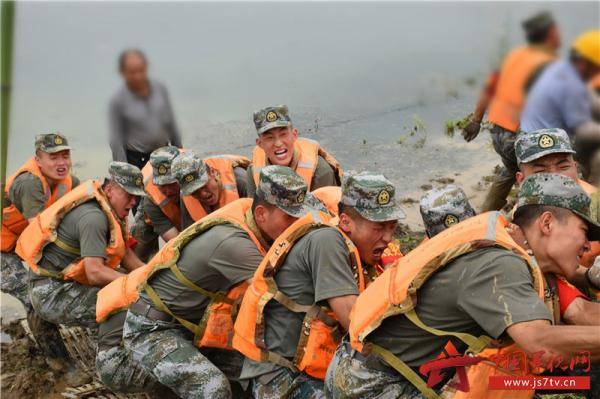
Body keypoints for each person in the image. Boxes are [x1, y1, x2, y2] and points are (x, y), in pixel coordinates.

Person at [327, 173, 600, 399]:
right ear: (547, 223)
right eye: (584, 232)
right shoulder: (500, 263)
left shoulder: (510, 242)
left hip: (402, 371)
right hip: (374, 385)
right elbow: (541, 344)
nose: (588, 245)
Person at [119, 166, 315, 398]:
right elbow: (284, 302)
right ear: (261, 214)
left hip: (193, 328)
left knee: (258, 370)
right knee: (213, 388)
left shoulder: (252, 221)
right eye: (289, 217)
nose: (297, 225)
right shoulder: (236, 245)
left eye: (299, 216)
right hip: (153, 330)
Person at [234, 172, 406, 398]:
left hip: (310, 369)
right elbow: (356, 323)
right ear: (345, 222)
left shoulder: (354, 247)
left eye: (392, 227)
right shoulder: (327, 241)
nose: (387, 238)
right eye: (378, 228)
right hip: (280, 377)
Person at [16, 162, 146, 328]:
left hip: (68, 281)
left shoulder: (111, 207)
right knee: (121, 304)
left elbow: (125, 254)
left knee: (131, 289)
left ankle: (99, 335)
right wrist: (136, 284)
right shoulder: (94, 218)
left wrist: (149, 275)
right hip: (51, 293)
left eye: (137, 197)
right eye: (129, 195)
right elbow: (95, 273)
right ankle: (108, 352)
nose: (134, 202)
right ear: (110, 190)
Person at [462, 11, 560, 211]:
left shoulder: (514, 56)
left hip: (497, 132)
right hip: (518, 134)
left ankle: (485, 215)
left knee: (510, 169)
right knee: (540, 174)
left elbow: (488, 90)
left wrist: (476, 121)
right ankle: (532, 217)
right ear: (550, 34)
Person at [1, 133, 78, 365]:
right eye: (53, 157)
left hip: (13, 241)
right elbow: (39, 240)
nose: (61, 163)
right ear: (38, 159)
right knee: (36, 299)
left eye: (65, 156)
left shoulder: (69, 181)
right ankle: (61, 365)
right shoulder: (30, 184)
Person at [520, 30, 600, 179]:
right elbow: (583, 129)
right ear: (584, 63)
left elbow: (592, 102)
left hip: (530, 136)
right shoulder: (571, 83)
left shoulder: (563, 69)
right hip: (540, 146)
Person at [109, 49, 182, 169]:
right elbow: (116, 141)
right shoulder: (118, 102)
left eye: (141, 70)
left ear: (146, 68)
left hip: (164, 156)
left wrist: (180, 155)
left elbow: (171, 124)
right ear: (123, 73)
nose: (138, 76)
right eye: (132, 72)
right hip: (137, 161)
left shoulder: (160, 90)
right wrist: (124, 172)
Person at [246, 105, 342, 196]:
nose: (278, 143)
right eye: (270, 138)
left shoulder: (320, 171)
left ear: (294, 135)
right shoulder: (253, 171)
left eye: (283, 134)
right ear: (260, 144)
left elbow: (329, 211)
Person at [172, 151, 250, 229]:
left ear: (212, 172)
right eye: (194, 192)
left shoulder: (241, 180)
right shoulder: (186, 196)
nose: (203, 194)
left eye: (204, 185)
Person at [131, 146, 182, 262]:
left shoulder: (196, 179)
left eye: (172, 184)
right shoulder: (151, 198)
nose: (168, 191)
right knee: (137, 256)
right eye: (162, 186)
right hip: (151, 209)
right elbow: (176, 242)